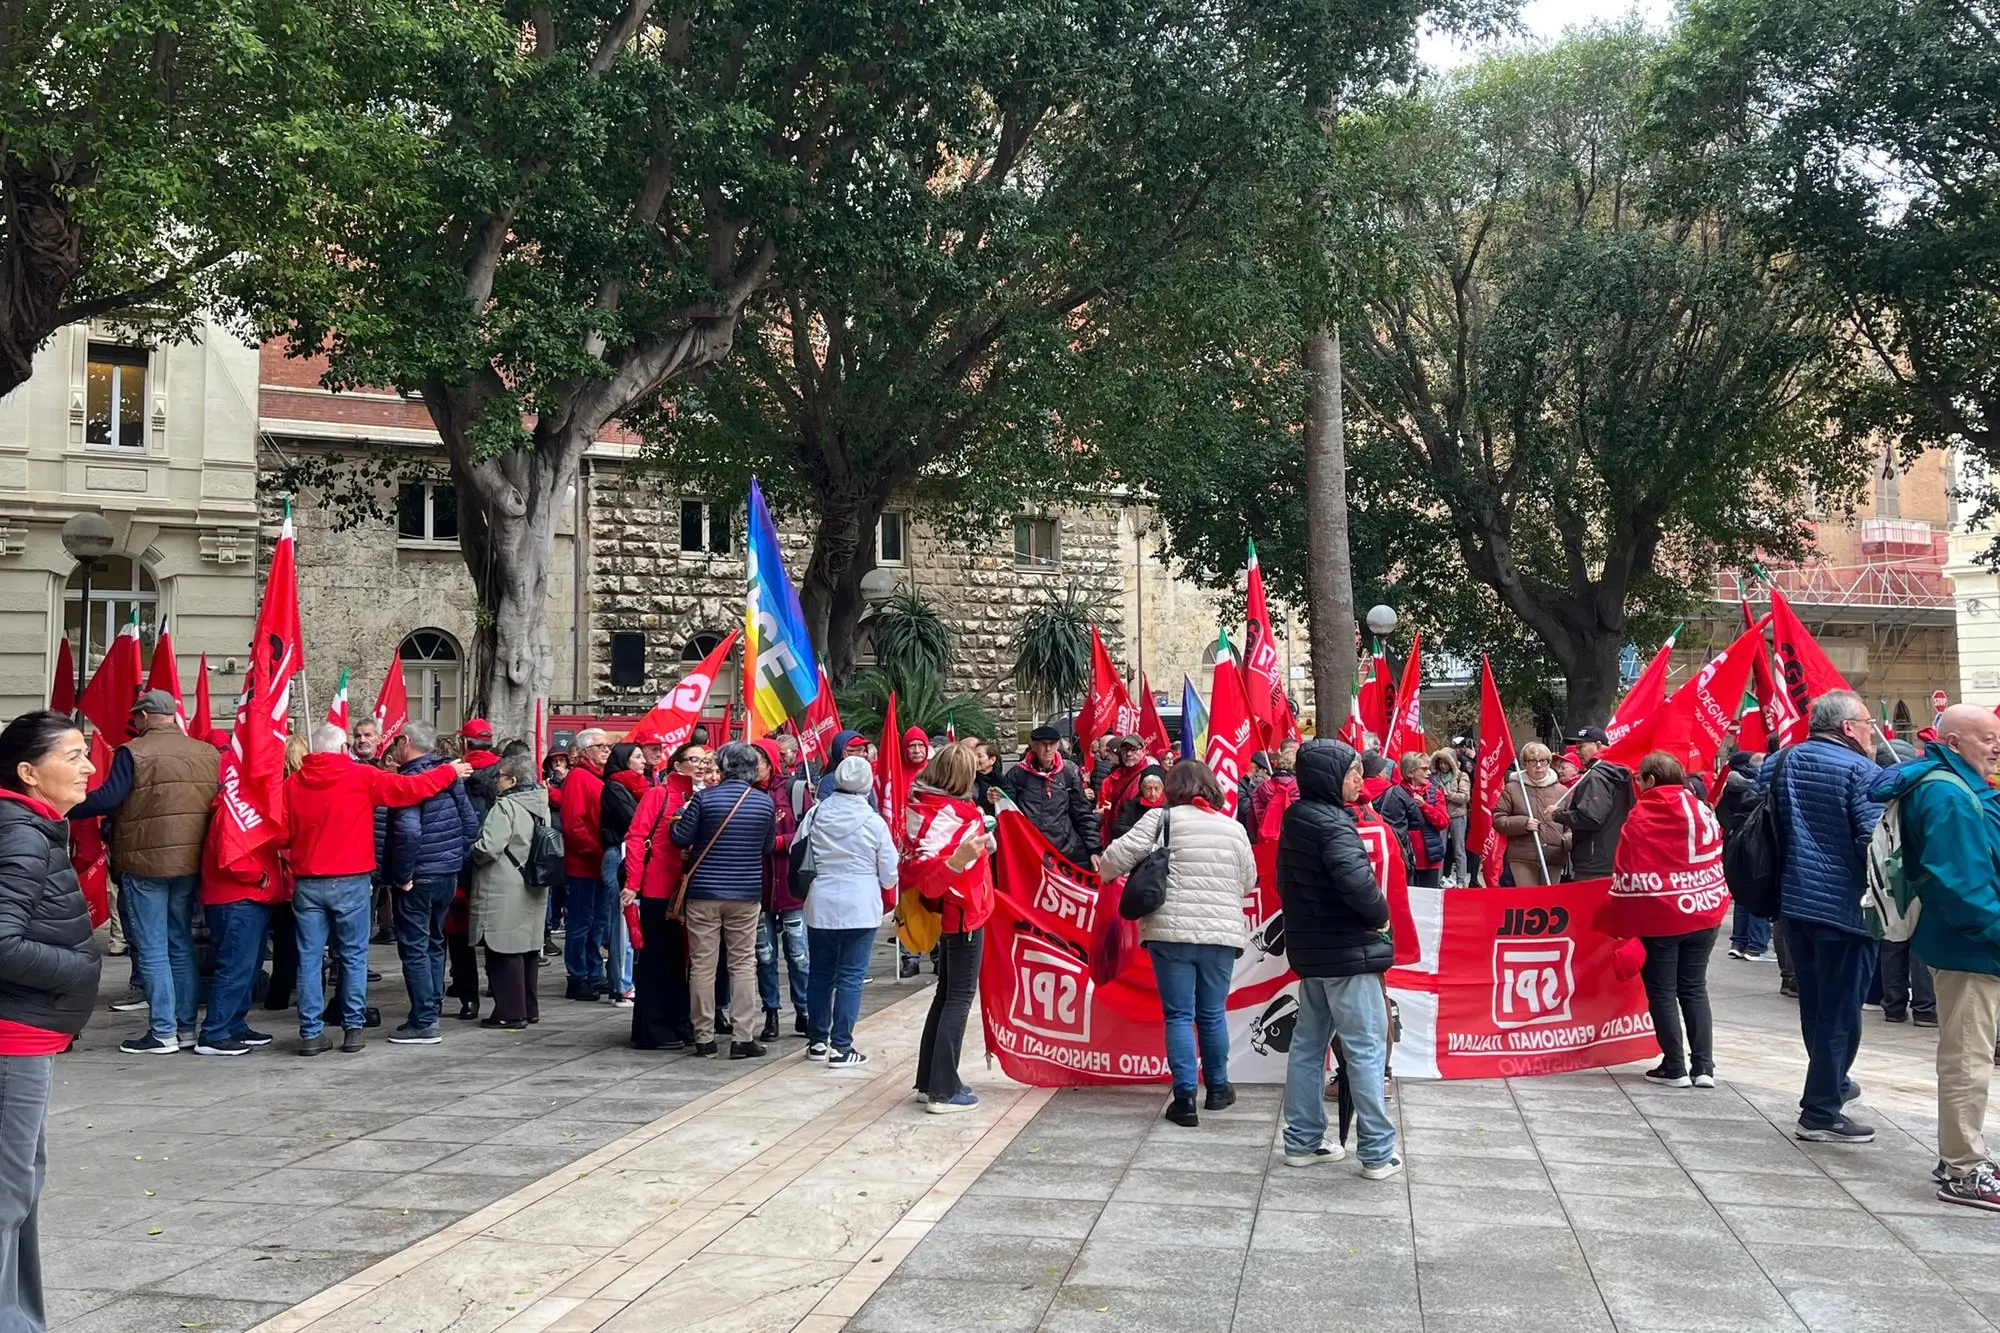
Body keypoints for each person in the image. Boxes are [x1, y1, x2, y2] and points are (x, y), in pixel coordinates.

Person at [1868, 704, 2000, 1209]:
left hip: (1973, 944)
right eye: (1987, 738)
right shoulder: (1948, 793)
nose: (1995, 747)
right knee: (1968, 1058)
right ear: (1957, 740)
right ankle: (1964, 1169)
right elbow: (1962, 884)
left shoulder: (1953, 786)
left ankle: (1963, 1159)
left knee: (1969, 1054)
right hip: (1974, 947)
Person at [0, 712, 103, 1330]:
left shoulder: (34, 827)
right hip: (14, 1033)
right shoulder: (20, 833)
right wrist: (77, 970)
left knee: (21, 1189)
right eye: (73, 755)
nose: (88, 765)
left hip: (27, 1034)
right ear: (29, 773)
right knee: (8, 1194)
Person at [286, 725, 469, 1055]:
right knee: (355, 957)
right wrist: (448, 772)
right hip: (352, 878)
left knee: (310, 960)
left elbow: (281, 834)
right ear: (343, 748)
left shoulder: (293, 783)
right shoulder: (359, 776)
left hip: (308, 881)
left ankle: (311, 1032)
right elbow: (410, 788)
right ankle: (353, 1029)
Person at [1097, 759, 1254, 1128]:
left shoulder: (1160, 820)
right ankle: (1217, 1088)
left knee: (1179, 1015)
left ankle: (1184, 1099)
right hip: (1220, 935)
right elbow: (1248, 881)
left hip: (1169, 934)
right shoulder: (1233, 828)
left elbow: (1112, 862)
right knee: (1212, 1013)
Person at [1759, 690, 1886, 1143]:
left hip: (1792, 904)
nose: (1873, 732)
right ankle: (1821, 1110)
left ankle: (1831, 1083)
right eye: (1868, 723)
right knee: (1842, 1010)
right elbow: (1873, 841)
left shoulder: (1779, 762)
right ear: (1848, 727)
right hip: (1845, 908)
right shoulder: (1861, 770)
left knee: (1816, 1005)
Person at [1274, 739, 1400, 1179]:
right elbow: (1359, 886)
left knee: (1308, 1047)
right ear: (1329, 777)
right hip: (1348, 952)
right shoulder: (1332, 824)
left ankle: (1302, 1141)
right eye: (1352, 772)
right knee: (1365, 1050)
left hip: (1314, 952)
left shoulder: (1297, 818)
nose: (1359, 780)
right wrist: (1381, 917)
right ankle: (1377, 1153)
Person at [68, 689, 218, 1055]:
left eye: (136, 716)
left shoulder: (133, 752)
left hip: (144, 862)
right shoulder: (206, 752)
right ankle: (185, 1030)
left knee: (152, 948)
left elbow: (108, 798)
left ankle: (162, 1031)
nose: (133, 722)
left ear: (147, 716)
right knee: (180, 943)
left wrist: (67, 805)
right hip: (190, 861)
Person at [1605, 751, 1729, 1088]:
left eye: (1639, 778)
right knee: (1694, 988)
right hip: (1705, 909)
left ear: (1651, 780)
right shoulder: (1702, 808)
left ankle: (1674, 1066)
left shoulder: (1643, 813)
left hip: (1661, 915)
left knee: (1662, 991)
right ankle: (1704, 1068)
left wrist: (1620, 915)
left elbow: (1627, 866)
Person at [671, 742, 778, 1059]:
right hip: (745, 893)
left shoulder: (704, 799)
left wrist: (679, 817)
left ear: (724, 766)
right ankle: (742, 1036)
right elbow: (767, 846)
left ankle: (704, 1037)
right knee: (743, 964)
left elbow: (680, 838)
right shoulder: (764, 804)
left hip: (704, 893)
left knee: (703, 965)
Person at [904, 745, 994, 1113]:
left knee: (945, 995)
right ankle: (944, 1090)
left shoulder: (920, 807)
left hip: (950, 914)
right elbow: (933, 877)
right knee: (958, 998)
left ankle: (930, 1081)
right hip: (965, 912)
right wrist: (961, 860)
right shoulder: (959, 817)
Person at [379, 721, 479, 1045]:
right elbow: (469, 823)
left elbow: (408, 832)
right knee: (435, 941)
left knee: (415, 946)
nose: (393, 748)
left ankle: (423, 1019)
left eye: (396, 742)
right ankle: (430, 1008)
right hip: (445, 873)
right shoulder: (448, 776)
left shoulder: (412, 780)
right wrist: (454, 860)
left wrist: (402, 875)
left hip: (419, 875)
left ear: (406, 741)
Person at [802, 755, 900, 1068]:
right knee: (850, 976)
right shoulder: (874, 822)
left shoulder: (815, 814)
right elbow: (889, 872)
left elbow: (799, 852)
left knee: (820, 973)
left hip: (821, 902)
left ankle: (817, 1041)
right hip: (860, 904)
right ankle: (842, 1047)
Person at [623, 744, 703, 1049]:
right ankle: (653, 1028)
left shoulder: (700, 796)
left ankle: (680, 1021)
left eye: (703, 759)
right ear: (677, 764)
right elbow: (635, 837)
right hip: (659, 888)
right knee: (658, 959)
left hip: (689, 889)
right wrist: (633, 883)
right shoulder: (659, 794)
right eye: (693, 759)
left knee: (684, 961)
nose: (699, 764)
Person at [469, 753, 551, 1031]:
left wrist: (472, 850)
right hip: (532, 882)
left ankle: (510, 1012)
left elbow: (490, 847)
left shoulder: (505, 807)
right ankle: (528, 1008)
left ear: (512, 780)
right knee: (527, 948)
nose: (496, 781)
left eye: (500, 776)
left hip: (504, 884)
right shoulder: (541, 803)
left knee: (503, 949)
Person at [752, 739, 808, 1041]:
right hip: (759, 888)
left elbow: (808, 828)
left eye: (759, 760)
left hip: (790, 885)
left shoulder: (794, 790)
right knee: (765, 955)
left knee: (799, 954)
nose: (754, 766)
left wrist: (780, 842)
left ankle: (804, 1011)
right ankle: (771, 1012)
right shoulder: (746, 792)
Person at [559, 728, 610, 1000]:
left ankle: (592, 971)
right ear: (586, 751)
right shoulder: (579, 777)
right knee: (581, 922)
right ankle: (578, 976)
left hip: (597, 863)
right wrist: (596, 851)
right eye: (601, 746)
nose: (606, 750)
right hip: (584, 864)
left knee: (597, 922)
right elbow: (574, 824)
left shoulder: (597, 777)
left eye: (607, 746)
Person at [598, 741, 648, 1008]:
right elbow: (635, 821)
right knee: (622, 922)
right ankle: (621, 984)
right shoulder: (615, 788)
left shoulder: (643, 787)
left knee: (631, 921)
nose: (644, 762)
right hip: (619, 855)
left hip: (634, 856)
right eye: (638, 757)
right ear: (624, 760)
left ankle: (626, 980)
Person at [1003, 725, 1098, 862]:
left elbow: (1082, 813)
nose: (1048, 749)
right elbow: (1007, 812)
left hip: (1065, 851)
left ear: (1058, 745)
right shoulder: (1018, 774)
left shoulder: (1067, 773)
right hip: (1030, 851)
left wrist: (1094, 849)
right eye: (1043, 744)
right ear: (1034, 746)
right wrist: (994, 798)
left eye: (1052, 744)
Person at [1716, 752, 1774, 961]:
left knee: (1742, 895)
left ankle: (1738, 942)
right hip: (1755, 844)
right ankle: (1756, 946)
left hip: (1735, 843)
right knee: (1758, 891)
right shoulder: (1756, 787)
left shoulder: (1730, 787)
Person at [1492, 742, 1569, 887]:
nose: (1538, 766)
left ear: (1549, 763)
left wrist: (1565, 841)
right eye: (1533, 761)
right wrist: (1523, 823)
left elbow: (1572, 823)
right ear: (1525, 764)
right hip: (1522, 857)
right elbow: (1498, 819)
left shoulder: (1563, 791)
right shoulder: (1512, 788)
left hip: (1554, 856)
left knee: (1549, 902)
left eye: (1543, 761)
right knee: (1529, 900)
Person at [1553, 742, 1634, 880]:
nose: (1577, 752)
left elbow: (1591, 818)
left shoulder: (1596, 777)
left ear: (1598, 745)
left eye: (1581, 747)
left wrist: (1558, 814)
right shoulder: (1624, 775)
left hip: (1594, 859)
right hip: (1617, 856)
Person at [1376, 753, 1448, 889]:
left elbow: (1443, 822)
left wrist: (1424, 806)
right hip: (1403, 857)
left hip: (1428, 858)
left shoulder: (1435, 793)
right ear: (1410, 772)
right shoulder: (1394, 792)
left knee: (1427, 901)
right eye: (1424, 769)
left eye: (1429, 769)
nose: (1429, 773)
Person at [1095, 736, 1151, 846]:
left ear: (1143, 751)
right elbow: (1105, 808)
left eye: (1133, 749)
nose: (1129, 754)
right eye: (1125, 750)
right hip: (1114, 840)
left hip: (1139, 841)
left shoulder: (1151, 777)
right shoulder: (1112, 779)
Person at [1434, 749, 1471, 886]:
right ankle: (1438, 880)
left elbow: (1465, 797)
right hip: (1441, 815)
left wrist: (1448, 794)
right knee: (1441, 849)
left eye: (1446, 763)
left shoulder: (1462, 776)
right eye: (1441, 763)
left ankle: (1461, 881)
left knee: (1459, 849)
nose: (1443, 766)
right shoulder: (1435, 777)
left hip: (1457, 815)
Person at [1248, 747, 1298, 845]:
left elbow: (1251, 823)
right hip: (1293, 848)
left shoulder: (1261, 788)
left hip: (1265, 846)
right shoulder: (1300, 789)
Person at [1109, 768, 1167, 842]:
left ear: (1162, 789)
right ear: (1141, 788)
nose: (1152, 793)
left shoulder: (1169, 807)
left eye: (1157, 788)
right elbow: (1118, 828)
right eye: (1148, 788)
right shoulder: (1131, 806)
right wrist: (1143, 833)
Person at [1236, 751, 1272, 838]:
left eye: (1266, 771)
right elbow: (1245, 808)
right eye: (1258, 769)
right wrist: (1258, 789)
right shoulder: (1241, 784)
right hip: (1247, 833)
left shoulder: (1271, 785)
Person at [972, 741, 1003, 814]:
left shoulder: (1002, 781)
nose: (975, 760)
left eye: (979, 756)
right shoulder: (969, 780)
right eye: (974, 756)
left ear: (992, 760)